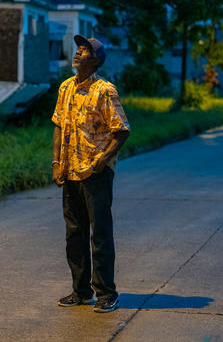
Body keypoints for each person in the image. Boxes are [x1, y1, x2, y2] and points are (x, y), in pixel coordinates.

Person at [51, 35, 130, 313]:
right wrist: (56, 163)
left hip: (95, 174)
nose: (78, 53)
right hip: (70, 171)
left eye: (84, 51)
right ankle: (81, 291)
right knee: (74, 234)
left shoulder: (105, 90)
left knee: (100, 235)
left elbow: (121, 130)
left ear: (95, 61)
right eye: (78, 49)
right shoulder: (65, 88)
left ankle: (107, 293)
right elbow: (59, 126)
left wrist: (101, 161)